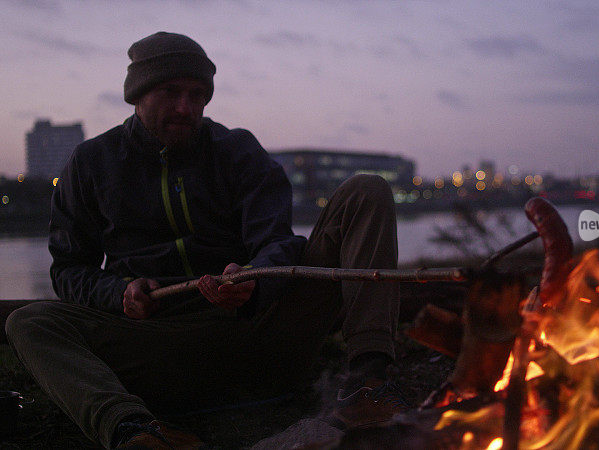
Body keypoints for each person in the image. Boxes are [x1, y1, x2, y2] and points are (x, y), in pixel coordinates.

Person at [5, 31, 405, 449]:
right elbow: (69, 270)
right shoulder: (91, 163)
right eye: (171, 92)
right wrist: (119, 292)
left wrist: (253, 280)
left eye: (197, 95)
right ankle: (134, 430)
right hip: (157, 347)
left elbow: (280, 241)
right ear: (137, 95)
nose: (185, 107)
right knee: (29, 321)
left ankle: (368, 385)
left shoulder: (237, 150)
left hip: (257, 331)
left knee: (368, 190)